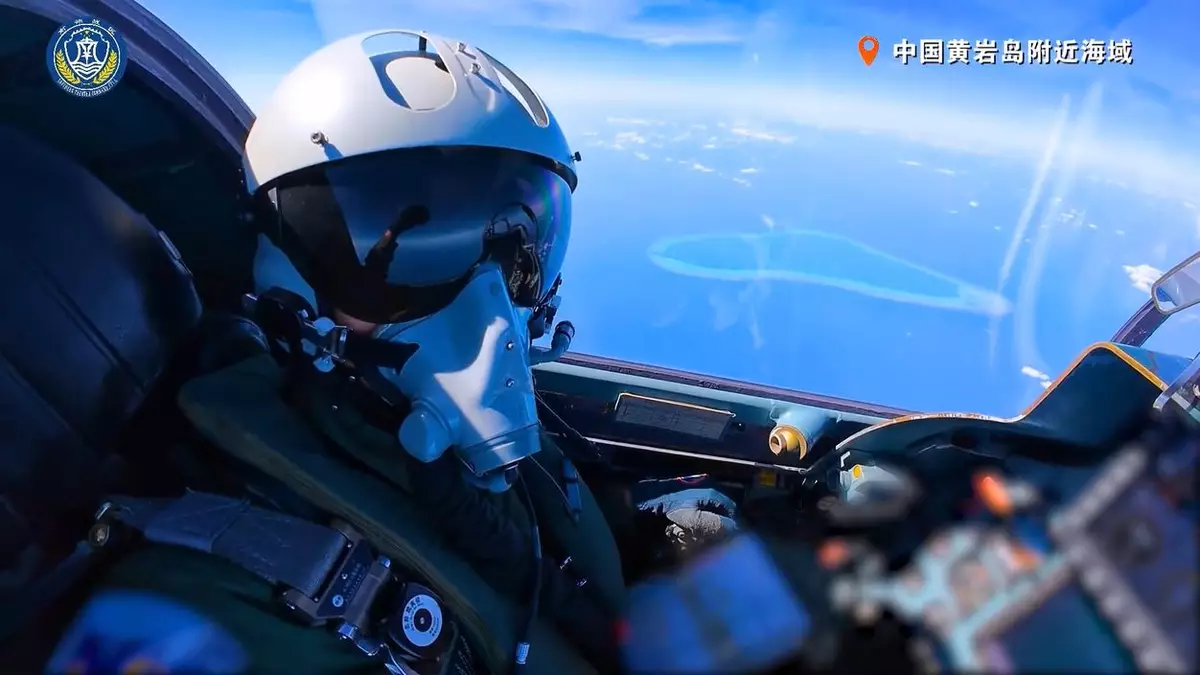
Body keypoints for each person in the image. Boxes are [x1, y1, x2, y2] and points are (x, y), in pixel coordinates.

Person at [45, 30, 625, 675]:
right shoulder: (192, 613)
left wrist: (670, 532)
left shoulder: (467, 448)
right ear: (290, 282)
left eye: (519, 257)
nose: (490, 321)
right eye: (404, 267)